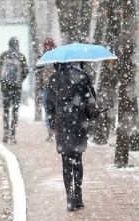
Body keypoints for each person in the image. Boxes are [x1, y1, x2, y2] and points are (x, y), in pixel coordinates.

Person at [46, 62, 97, 211]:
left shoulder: (54, 78)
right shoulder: (82, 76)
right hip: (79, 122)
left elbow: (49, 103)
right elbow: (91, 98)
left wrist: (52, 123)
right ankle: (78, 196)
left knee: (66, 161)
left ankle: (69, 197)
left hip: (62, 123)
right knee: (78, 159)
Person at [0, 37, 29, 145]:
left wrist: (2, 81)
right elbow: (26, 71)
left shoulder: (4, 55)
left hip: (5, 88)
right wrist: (19, 81)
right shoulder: (21, 56)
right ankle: (13, 134)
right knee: (15, 111)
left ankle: (5, 132)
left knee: (6, 110)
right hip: (16, 88)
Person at [35, 37, 57, 142]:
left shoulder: (41, 58)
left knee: (48, 111)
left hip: (46, 88)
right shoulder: (57, 57)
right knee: (57, 110)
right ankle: (56, 131)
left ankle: (50, 131)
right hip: (57, 89)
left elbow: (37, 72)